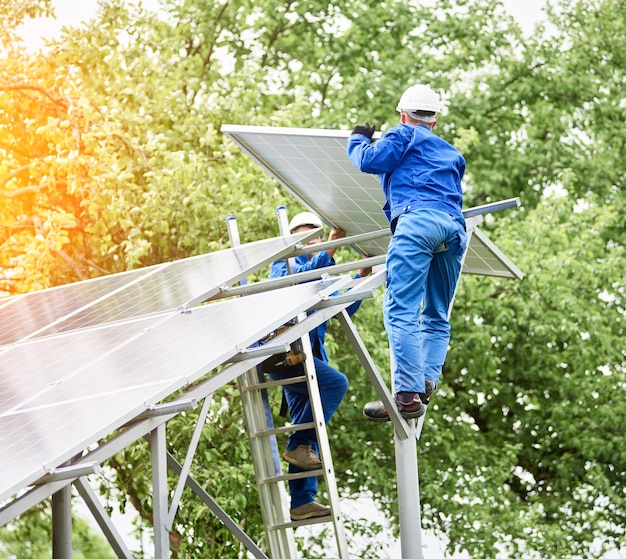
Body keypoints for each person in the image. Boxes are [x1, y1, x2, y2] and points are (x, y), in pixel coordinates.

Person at [346, 84, 467, 422]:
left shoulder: (403, 134)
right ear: (435, 121)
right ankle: (426, 378)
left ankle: (407, 395)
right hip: (454, 229)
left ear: (403, 114)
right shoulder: (451, 152)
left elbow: (369, 161)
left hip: (417, 223)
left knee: (401, 310)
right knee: (437, 313)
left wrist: (357, 138)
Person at [266, 211, 371, 521]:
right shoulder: (283, 265)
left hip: (306, 358)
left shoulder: (321, 274)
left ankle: (301, 501)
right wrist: (329, 250)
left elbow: (341, 307)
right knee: (336, 384)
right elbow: (297, 283)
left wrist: (362, 276)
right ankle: (298, 446)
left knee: (305, 420)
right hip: (282, 354)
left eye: (315, 235)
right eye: (305, 236)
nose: (313, 240)